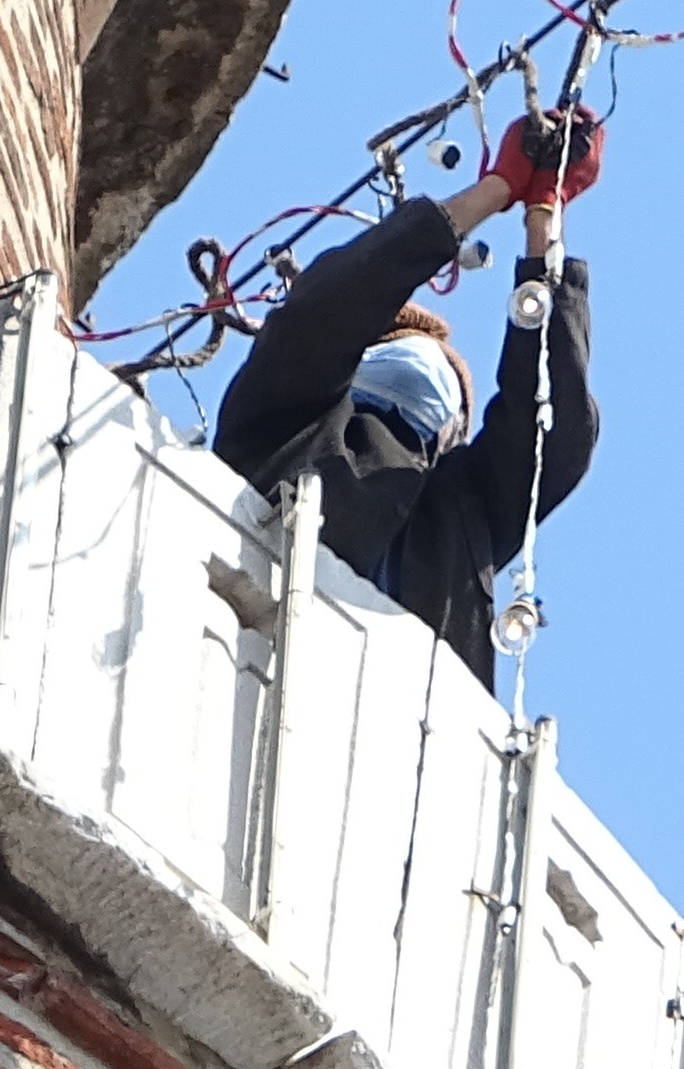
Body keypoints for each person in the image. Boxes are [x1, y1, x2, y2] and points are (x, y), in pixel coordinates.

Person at [210, 107, 604, 686]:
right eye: (410, 348)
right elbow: (329, 308)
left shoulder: (462, 516)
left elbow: (554, 424)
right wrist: (493, 191)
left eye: (456, 394)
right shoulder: (287, 422)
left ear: (455, 435)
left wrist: (544, 219)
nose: (434, 375)